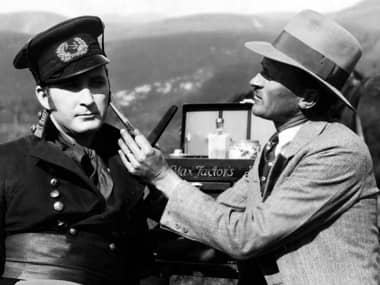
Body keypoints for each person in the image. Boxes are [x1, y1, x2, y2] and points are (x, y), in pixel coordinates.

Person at [118, 10, 380, 285]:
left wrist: (163, 177)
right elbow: (219, 212)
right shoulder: (276, 148)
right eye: (260, 69)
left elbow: (245, 236)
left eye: (268, 75)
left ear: (308, 98)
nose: (254, 81)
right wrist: (144, 191)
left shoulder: (338, 153)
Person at [0, 16, 155, 284]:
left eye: (96, 83)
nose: (87, 100)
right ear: (43, 95)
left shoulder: (130, 160)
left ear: (109, 86)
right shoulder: (9, 164)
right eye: (71, 86)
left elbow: (141, 262)